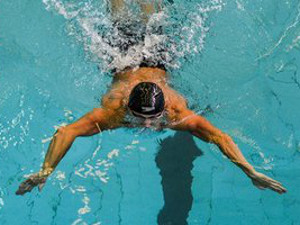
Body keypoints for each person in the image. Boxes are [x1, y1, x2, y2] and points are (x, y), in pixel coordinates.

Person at [16, 0, 287, 195]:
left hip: (156, 60)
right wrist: (46, 170)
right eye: (139, 117)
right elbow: (66, 132)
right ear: (128, 107)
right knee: (118, 11)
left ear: (163, 109)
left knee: (150, 13)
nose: (147, 125)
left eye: (152, 118)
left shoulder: (177, 112)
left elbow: (220, 137)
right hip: (122, 61)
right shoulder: (113, 112)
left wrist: (249, 171)